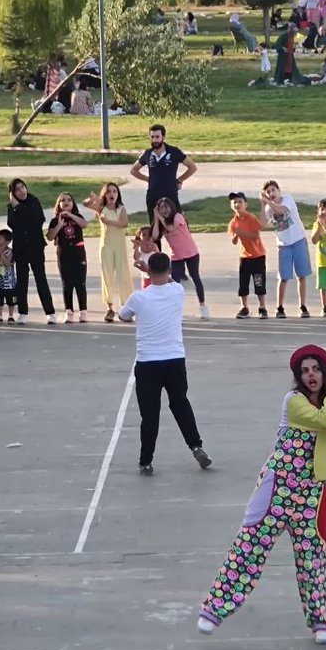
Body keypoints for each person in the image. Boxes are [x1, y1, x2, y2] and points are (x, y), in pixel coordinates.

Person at [197, 344, 326, 644]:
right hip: (277, 490)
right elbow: (321, 420)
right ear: (298, 376)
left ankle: (320, 620)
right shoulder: (294, 401)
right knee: (249, 545)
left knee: (313, 559)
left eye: (316, 369)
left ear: (324, 372)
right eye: (305, 371)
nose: (311, 375)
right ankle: (214, 608)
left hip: (312, 494)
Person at [118, 252, 212, 475]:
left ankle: (146, 460)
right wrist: (154, 272)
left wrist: (146, 274)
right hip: (175, 360)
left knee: (150, 414)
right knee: (180, 403)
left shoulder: (138, 297)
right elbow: (169, 282)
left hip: (148, 362)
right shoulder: (177, 291)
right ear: (169, 270)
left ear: (148, 271)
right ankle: (196, 445)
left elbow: (123, 316)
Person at [7, 179, 57, 325]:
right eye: (17, 189)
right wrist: (16, 209)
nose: (21, 191)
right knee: (22, 281)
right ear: (12, 193)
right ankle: (22, 312)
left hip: (35, 246)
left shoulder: (34, 201)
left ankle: (50, 312)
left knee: (41, 278)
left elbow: (37, 219)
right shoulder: (11, 207)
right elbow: (13, 224)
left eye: (23, 187)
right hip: (21, 248)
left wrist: (19, 209)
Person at [261, 181, 311, 319]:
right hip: (284, 245)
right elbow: (262, 224)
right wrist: (262, 205)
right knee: (283, 277)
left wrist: (268, 203)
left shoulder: (287, 199)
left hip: (298, 240)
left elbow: (281, 210)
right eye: (268, 192)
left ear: (279, 190)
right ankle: (280, 307)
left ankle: (302, 306)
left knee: (301, 275)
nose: (271, 194)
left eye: (273, 190)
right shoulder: (268, 208)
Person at [152, 197, 209, 320]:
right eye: (161, 207)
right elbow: (155, 236)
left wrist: (160, 217)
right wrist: (156, 218)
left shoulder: (178, 217)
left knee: (195, 277)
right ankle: (174, 308)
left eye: (166, 206)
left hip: (191, 253)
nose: (164, 210)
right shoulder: (161, 222)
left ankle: (203, 306)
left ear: (171, 207)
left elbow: (171, 228)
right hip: (176, 256)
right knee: (174, 282)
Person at [84, 183, 134, 323]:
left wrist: (108, 221)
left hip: (119, 246)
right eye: (108, 192)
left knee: (123, 273)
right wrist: (93, 199)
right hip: (106, 246)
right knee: (107, 274)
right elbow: (85, 203)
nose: (112, 194)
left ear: (118, 194)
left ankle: (126, 306)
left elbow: (124, 223)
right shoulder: (102, 208)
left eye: (114, 191)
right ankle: (109, 307)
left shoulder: (121, 209)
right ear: (105, 195)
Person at [131, 124, 197, 224]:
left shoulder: (174, 152)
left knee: (178, 225)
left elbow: (192, 167)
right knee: (155, 228)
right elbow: (133, 170)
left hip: (170, 195)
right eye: (152, 137)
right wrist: (147, 179)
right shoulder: (148, 154)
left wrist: (180, 180)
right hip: (153, 195)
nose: (155, 140)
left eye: (157, 137)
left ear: (163, 137)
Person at [47, 193, 90, 323]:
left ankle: (83, 311)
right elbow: (49, 236)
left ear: (73, 204)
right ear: (58, 205)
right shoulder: (55, 220)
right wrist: (59, 225)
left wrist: (71, 215)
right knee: (67, 283)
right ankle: (69, 311)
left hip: (78, 252)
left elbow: (84, 224)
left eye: (69, 200)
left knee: (80, 283)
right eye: (62, 200)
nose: (66, 202)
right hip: (64, 253)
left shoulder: (77, 217)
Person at [227, 192, 268, 319]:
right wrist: (236, 235)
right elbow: (233, 241)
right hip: (244, 257)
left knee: (259, 281)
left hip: (258, 256)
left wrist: (242, 233)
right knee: (243, 283)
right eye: (234, 202)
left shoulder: (251, 218)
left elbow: (256, 235)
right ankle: (244, 307)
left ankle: (262, 307)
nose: (237, 204)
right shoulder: (233, 223)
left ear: (246, 204)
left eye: (240, 201)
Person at [0, 229, 16, 323]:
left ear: (7, 241)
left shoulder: (10, 252)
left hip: (8, 281)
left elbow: (8, 264)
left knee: (11, 299)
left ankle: (11, 315)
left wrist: (1, 254)